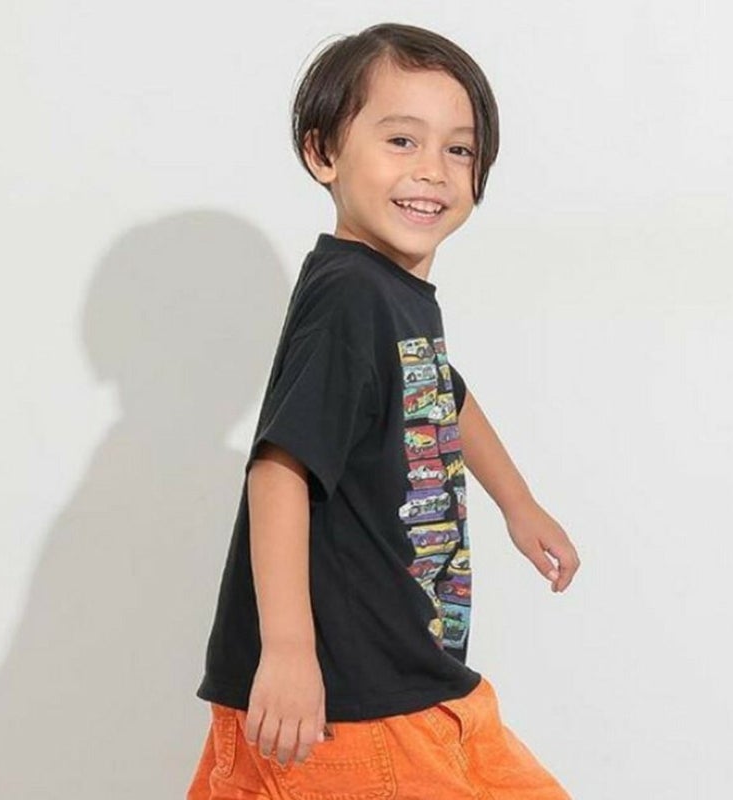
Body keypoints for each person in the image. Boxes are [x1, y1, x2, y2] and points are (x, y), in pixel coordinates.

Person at [187, 21, 580, 800]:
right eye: (402, 140)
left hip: (407, 675)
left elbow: (442, 390)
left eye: (459, 149)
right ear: (322, 153)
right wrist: (289, 653)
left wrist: (519, 502)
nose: (432, 169)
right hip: (351, 699)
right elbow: (278, 471)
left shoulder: (390, 294)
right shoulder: (351, 297)